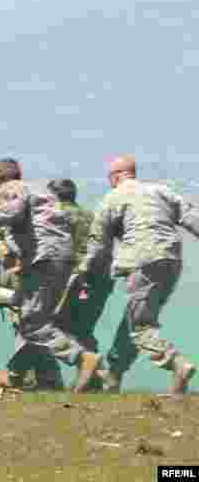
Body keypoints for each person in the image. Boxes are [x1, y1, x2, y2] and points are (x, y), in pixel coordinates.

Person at [0, 158, 102, 393]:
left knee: (33, 323)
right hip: (59, 258)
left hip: (45, 258)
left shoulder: (11, 188)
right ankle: (90, 367)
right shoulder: (40, 191)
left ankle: (82, 358)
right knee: (37, 318)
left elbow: (12, 213)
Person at [80, 155, 199, 394]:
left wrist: (85, 274)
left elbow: (98, 245)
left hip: (142, 263)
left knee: (140, 327)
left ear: (114, 177)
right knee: (134, 321)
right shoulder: (161, 191)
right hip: (171, 261)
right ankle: (113, 377)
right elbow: (192, 217)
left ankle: (177, 363)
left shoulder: (112, 198)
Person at [50, 178, 113, 358]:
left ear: (54, 195)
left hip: (72, 279)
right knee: (83, 328)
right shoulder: (90, 215)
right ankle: (94, 376)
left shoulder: (56, 214)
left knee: (49, 325)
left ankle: (85, 362)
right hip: (98, 280)